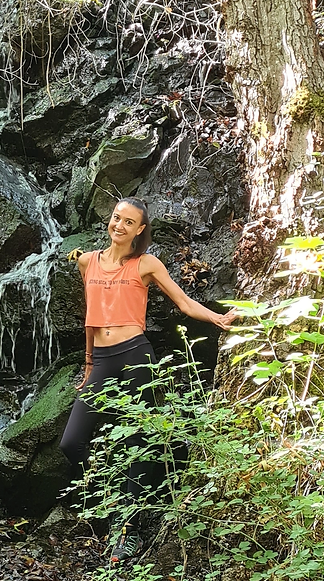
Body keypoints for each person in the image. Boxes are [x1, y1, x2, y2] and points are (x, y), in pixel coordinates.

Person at [58, 197, 237, 562]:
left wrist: (218, 319)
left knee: (141, 437)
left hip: (136, 355)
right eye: (116, 218)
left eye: (129, 222)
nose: (119, 226)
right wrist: (90, 363)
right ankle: (110, 503)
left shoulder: (146, 264)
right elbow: (91, 316)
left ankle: (130, 529)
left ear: (140, 230)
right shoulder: (87, 261)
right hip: (103, 359)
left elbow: (183, 303)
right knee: (72, 442)